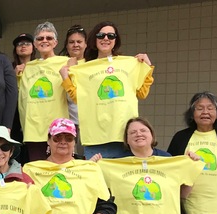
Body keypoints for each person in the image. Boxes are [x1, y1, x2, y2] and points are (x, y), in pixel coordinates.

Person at [60, 21, 154, 159]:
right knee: (96, 180)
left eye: (111, 35)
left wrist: (147, 68)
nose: (106, 38)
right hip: (96, 138)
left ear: (116, 40)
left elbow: (142, 93)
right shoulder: (85, 68)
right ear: (94, 39)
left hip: (124, 137)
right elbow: (78, 98)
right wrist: (66, 78)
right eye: (101, 35)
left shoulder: (129, 64)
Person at [18, 22, 70, 162]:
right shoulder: (28, 67)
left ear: (55, 42)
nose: (44, 41)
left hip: (59, 129)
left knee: (60, 170)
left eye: (49, 38)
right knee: (38, 172)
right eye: (40, 38)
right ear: (34, 43)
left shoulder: (66, 62)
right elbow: (22, 101)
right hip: (34, 131)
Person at [58, 25, 87, 152]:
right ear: (66, 45)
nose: (75, 45)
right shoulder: (59, 64)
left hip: (89, 120)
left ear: (86, 44)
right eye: (71, 42)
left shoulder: (92, 64)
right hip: (68, 122)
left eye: (79, 42)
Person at [9, 32, 34, 161]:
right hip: (14, 116)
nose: (23, 46)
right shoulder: (9, 67)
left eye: (27, 43)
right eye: (19, 44)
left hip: (33, 114)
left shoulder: (39, 66)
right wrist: (13, 75)